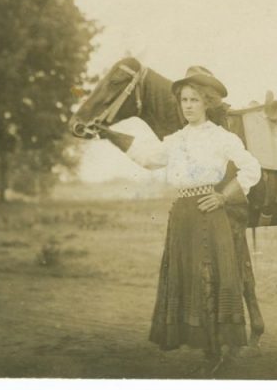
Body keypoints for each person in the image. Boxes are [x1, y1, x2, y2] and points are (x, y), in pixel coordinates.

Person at [98, 66, 261, 374]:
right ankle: (208, 349)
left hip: (210, 213)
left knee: (210, 278)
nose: (187, 105)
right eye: (184, 100)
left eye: (194, 100)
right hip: (182, 217)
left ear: (207, 103)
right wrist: (110, 134)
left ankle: (218, 351)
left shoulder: (222, 138)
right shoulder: (174, 140)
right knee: (189, 279)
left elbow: (251, 169)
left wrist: (224, 196)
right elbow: (148, 159)